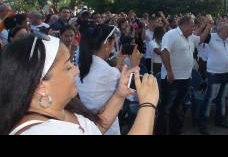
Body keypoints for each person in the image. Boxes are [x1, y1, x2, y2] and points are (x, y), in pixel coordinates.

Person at [0, 34, 159, 135]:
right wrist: (148, 105)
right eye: (68, 67)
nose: (76, 70)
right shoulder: (48, 132)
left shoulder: (61, 109)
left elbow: (96, 129)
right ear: (41, 85)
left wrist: (119, 94)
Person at [77, 24, 143, 135]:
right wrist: (135, 65)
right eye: (112, 44)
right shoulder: (109, 72)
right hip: (107, 127)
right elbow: (133, 95)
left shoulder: (84, 65)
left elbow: (105, 80)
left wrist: (119, 61)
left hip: (89, 124)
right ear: (107, 44)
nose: (113, 48)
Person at [156, 15, 211, 135]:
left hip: (185, 79)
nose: (193, 28)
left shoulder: (190, 37)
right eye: (192, 26)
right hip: (172, 80)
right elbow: (164, 52)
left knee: (178, 108)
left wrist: (208, 26)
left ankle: (175, 131)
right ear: (184, 25)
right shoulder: (171, 34)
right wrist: (169, 72)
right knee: (166, 109)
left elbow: (201, 39)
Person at [197, 20, 228, 135]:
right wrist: (207, 25)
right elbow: (199, 37)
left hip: (226, 73)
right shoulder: (211, 37)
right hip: (214, 74)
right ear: (220, 29)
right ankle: (203, 124)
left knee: (222, 98)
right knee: (209, 99)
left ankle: (220, 120)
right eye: (227, 29)